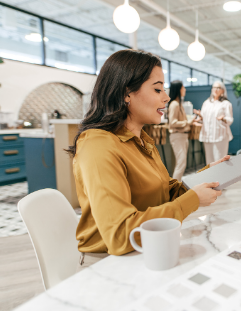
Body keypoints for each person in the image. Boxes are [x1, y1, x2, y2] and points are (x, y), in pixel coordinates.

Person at [68, 50, 230, 267]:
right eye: (157, 89)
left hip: (147, 248)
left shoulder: (141, 140)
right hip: (108, 262)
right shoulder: (97, 146)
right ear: (127, 93)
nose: (166, 96)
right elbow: (120, 235)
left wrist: (207, 175)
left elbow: (164, 191)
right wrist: (192, 200)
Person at [195, 81, 234, 165]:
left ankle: (221, 178)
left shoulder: (226, 104)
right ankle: (212, 178)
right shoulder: (206, 103)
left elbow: (230, 120)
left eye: (218, 88)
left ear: (223, 90)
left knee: (220, 162)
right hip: (207, 136)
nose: (215, 90)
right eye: (214, 87)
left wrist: (223, 119)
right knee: (209, 162)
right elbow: (204, 119)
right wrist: (200, 117)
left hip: (220, 136)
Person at [168, 80, 199, 181]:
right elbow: (172, 122)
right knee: (181, 163)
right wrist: (188, 122)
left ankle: (177, 188)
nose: (185, 89)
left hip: (182, 136)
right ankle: (174, 190)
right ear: (178, 89)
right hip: (178, 136)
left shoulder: (178, 104)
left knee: (182, 163)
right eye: (183, 87)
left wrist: (190, 122)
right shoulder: (174, 104)